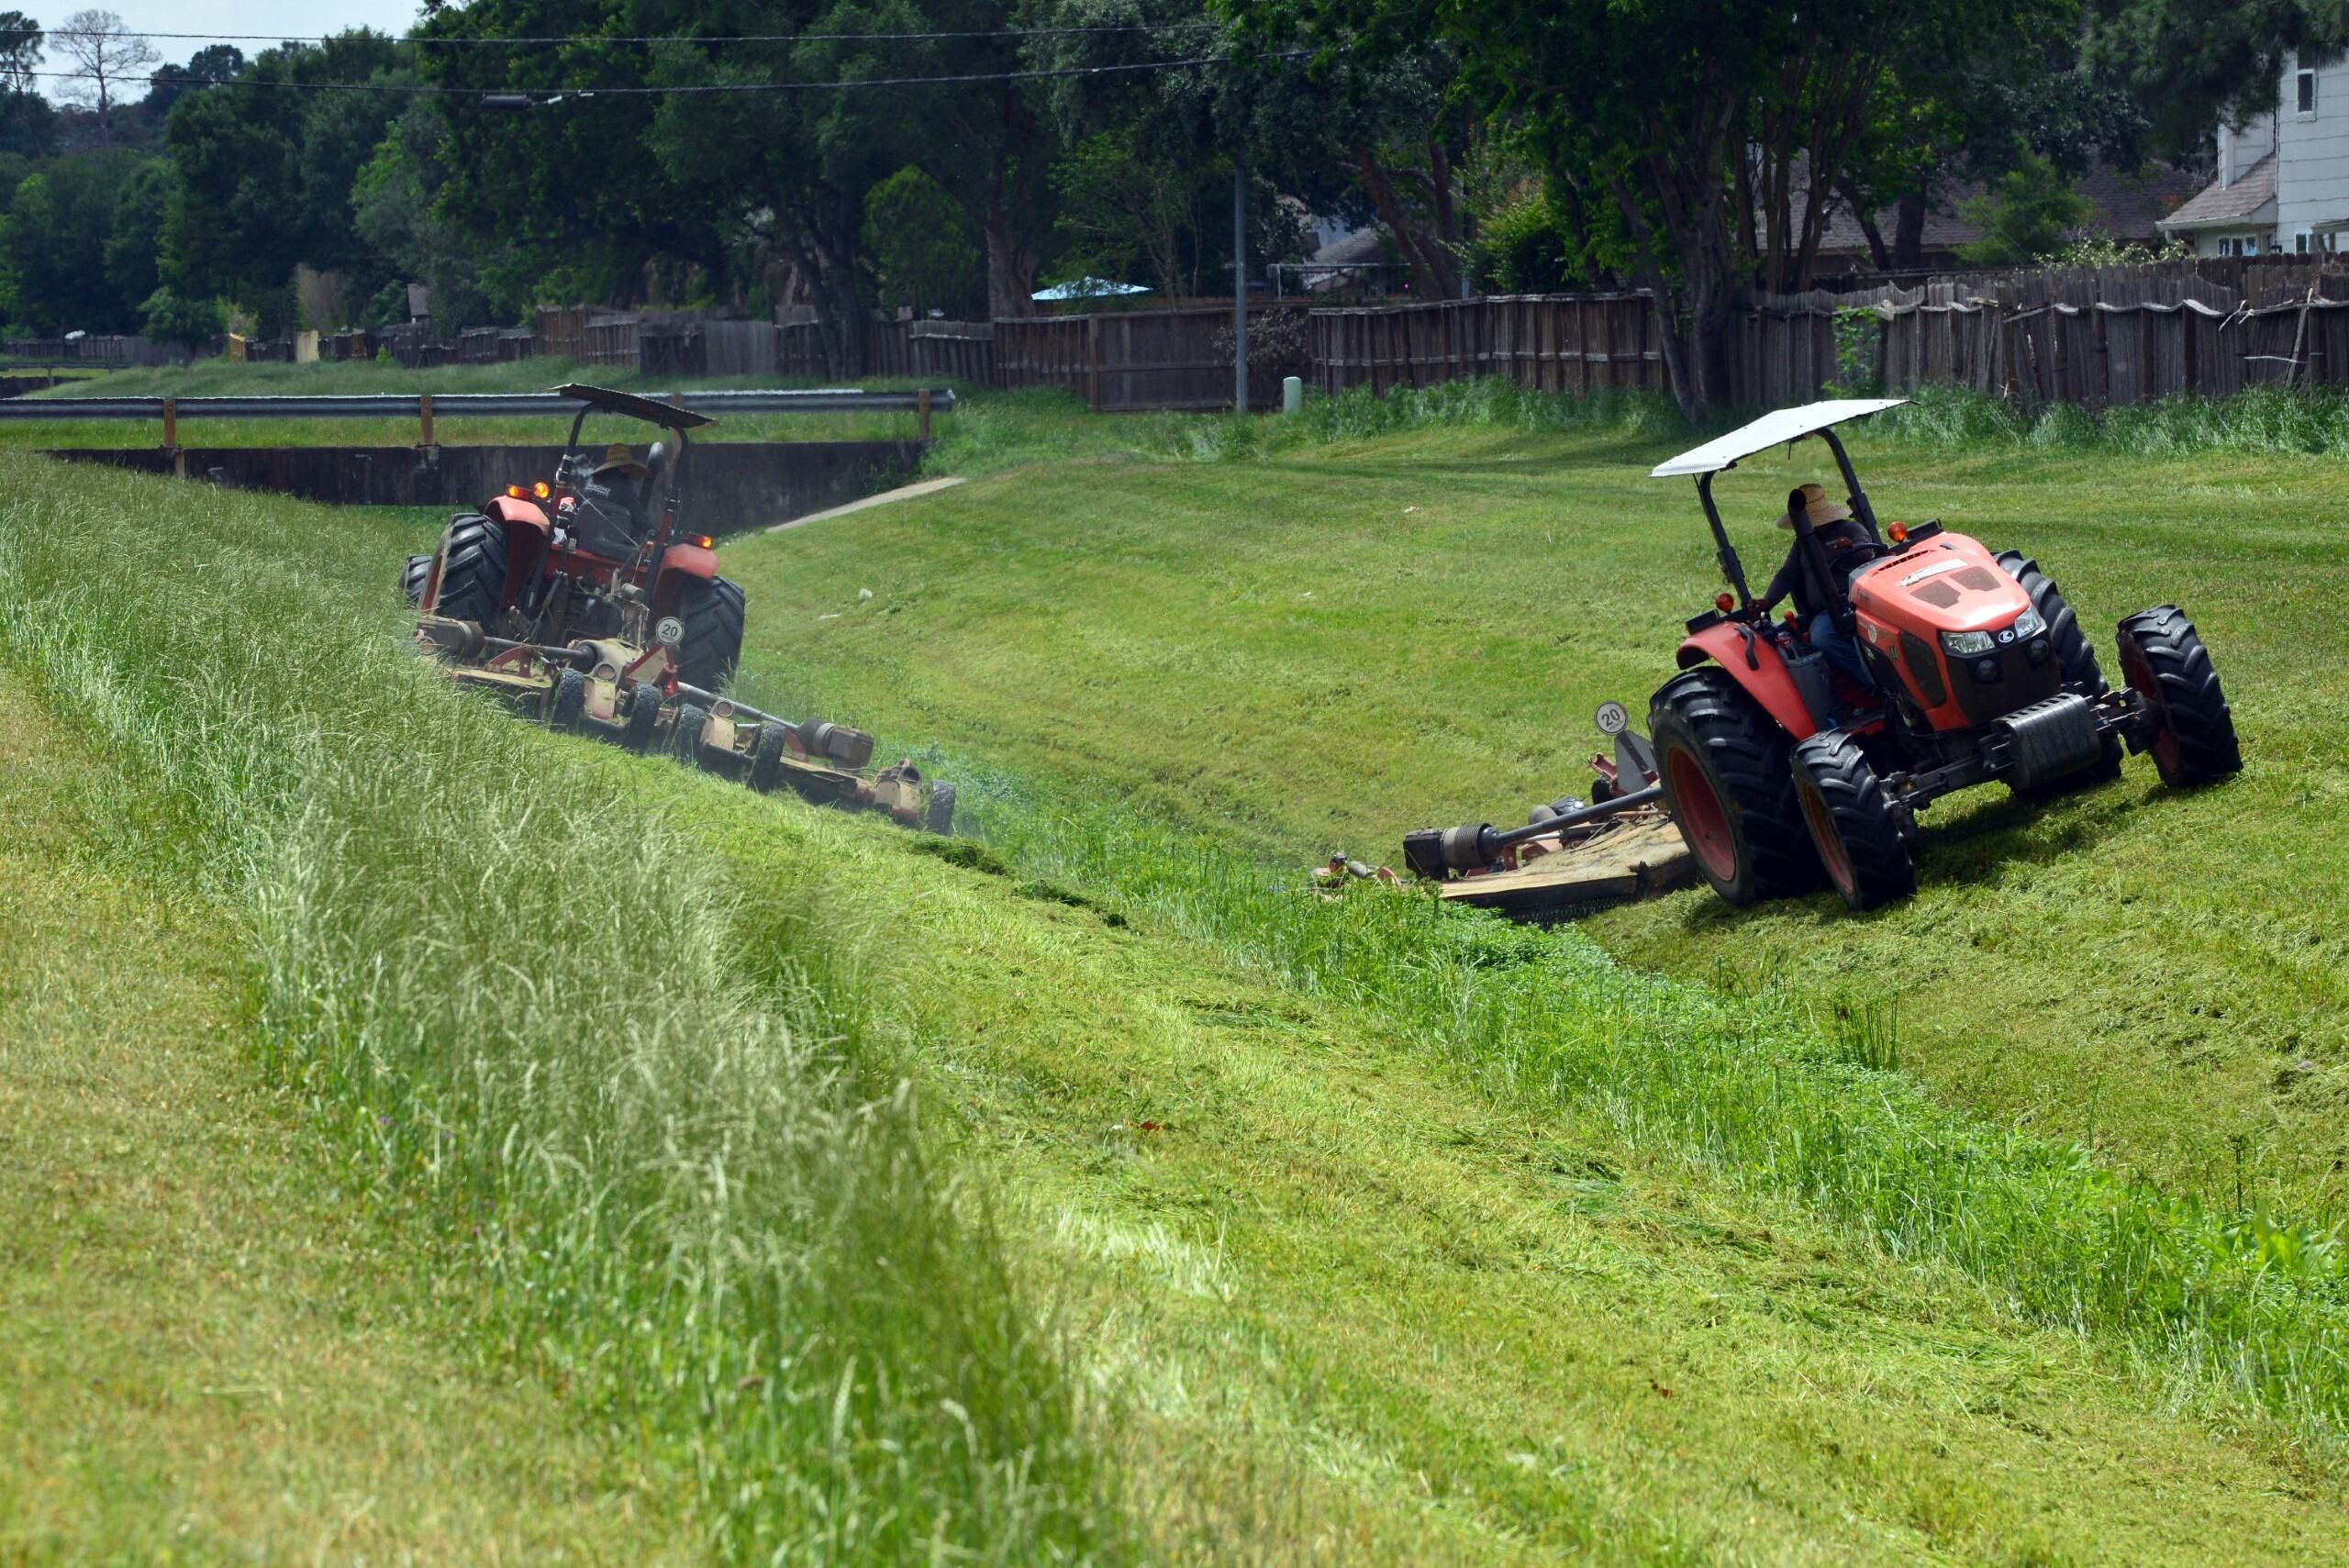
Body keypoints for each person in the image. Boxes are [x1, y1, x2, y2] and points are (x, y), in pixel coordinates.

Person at [1755, 481, 1875, 687]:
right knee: (1823, 638)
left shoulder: (1850, 529)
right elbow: (1787, 574)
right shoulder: (1802, 544)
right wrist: (1767, 601)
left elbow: (1868, 550)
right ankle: (1873, 680)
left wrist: (1850, 547)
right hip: (1826, 610)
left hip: (1861, 598)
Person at [571, 442, 651, 558]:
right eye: (627, 466)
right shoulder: (625, 489)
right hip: (609, 549)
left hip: (579, 542)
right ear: (621, 466)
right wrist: (656, 533)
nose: (629, 470)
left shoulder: (591, 481)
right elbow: (640, 520)